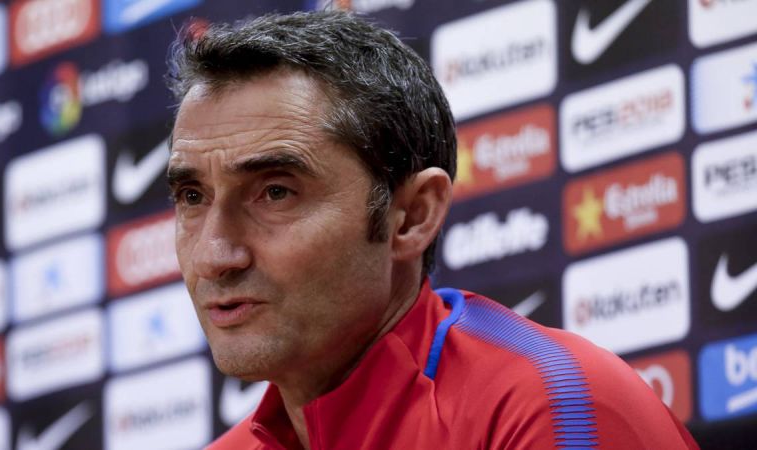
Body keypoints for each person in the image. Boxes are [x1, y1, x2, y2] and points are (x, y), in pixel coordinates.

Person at [165, 10, 699, 450]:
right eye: (192, 197)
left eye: (276, 192)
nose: (215, 256)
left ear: (412, 216)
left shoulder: (552, 406)